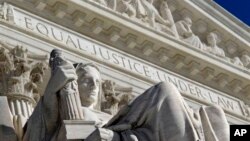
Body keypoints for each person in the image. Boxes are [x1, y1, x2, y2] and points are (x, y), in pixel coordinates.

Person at [24, 50, 229, 141]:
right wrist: (52, 90)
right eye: (86, 80)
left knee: (215, 116)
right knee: (165, 90)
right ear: (74, 85)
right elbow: (36, 135)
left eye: (97, 81)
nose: (95, 86)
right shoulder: (63, 112)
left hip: (129, 135)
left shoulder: (107, 116)